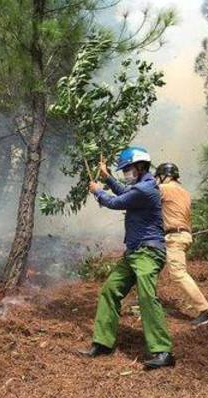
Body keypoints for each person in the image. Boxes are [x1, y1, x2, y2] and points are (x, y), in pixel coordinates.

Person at [79, 146, 174, 369]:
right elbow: (123, 192)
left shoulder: (146, 189)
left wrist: (96, 190)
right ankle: (102, 343)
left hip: (148, 253)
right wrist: (108, 177)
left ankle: (162, 352)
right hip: (134, 253)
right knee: (109, 290)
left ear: (140, 167)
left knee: (147, 298)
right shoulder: (140, 187)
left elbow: (116, 202)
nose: (126, 173)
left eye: (128, 169)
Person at [155, 162, 208, 327]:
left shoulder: (164, 189)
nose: (157, 180)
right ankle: (147, 299)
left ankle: (206, 311)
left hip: (174, 236)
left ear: (165, 176)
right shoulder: (184, 192)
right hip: (182, 235)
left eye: (158, 177)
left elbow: (142, 196)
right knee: (154, 263)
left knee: (178, 273)